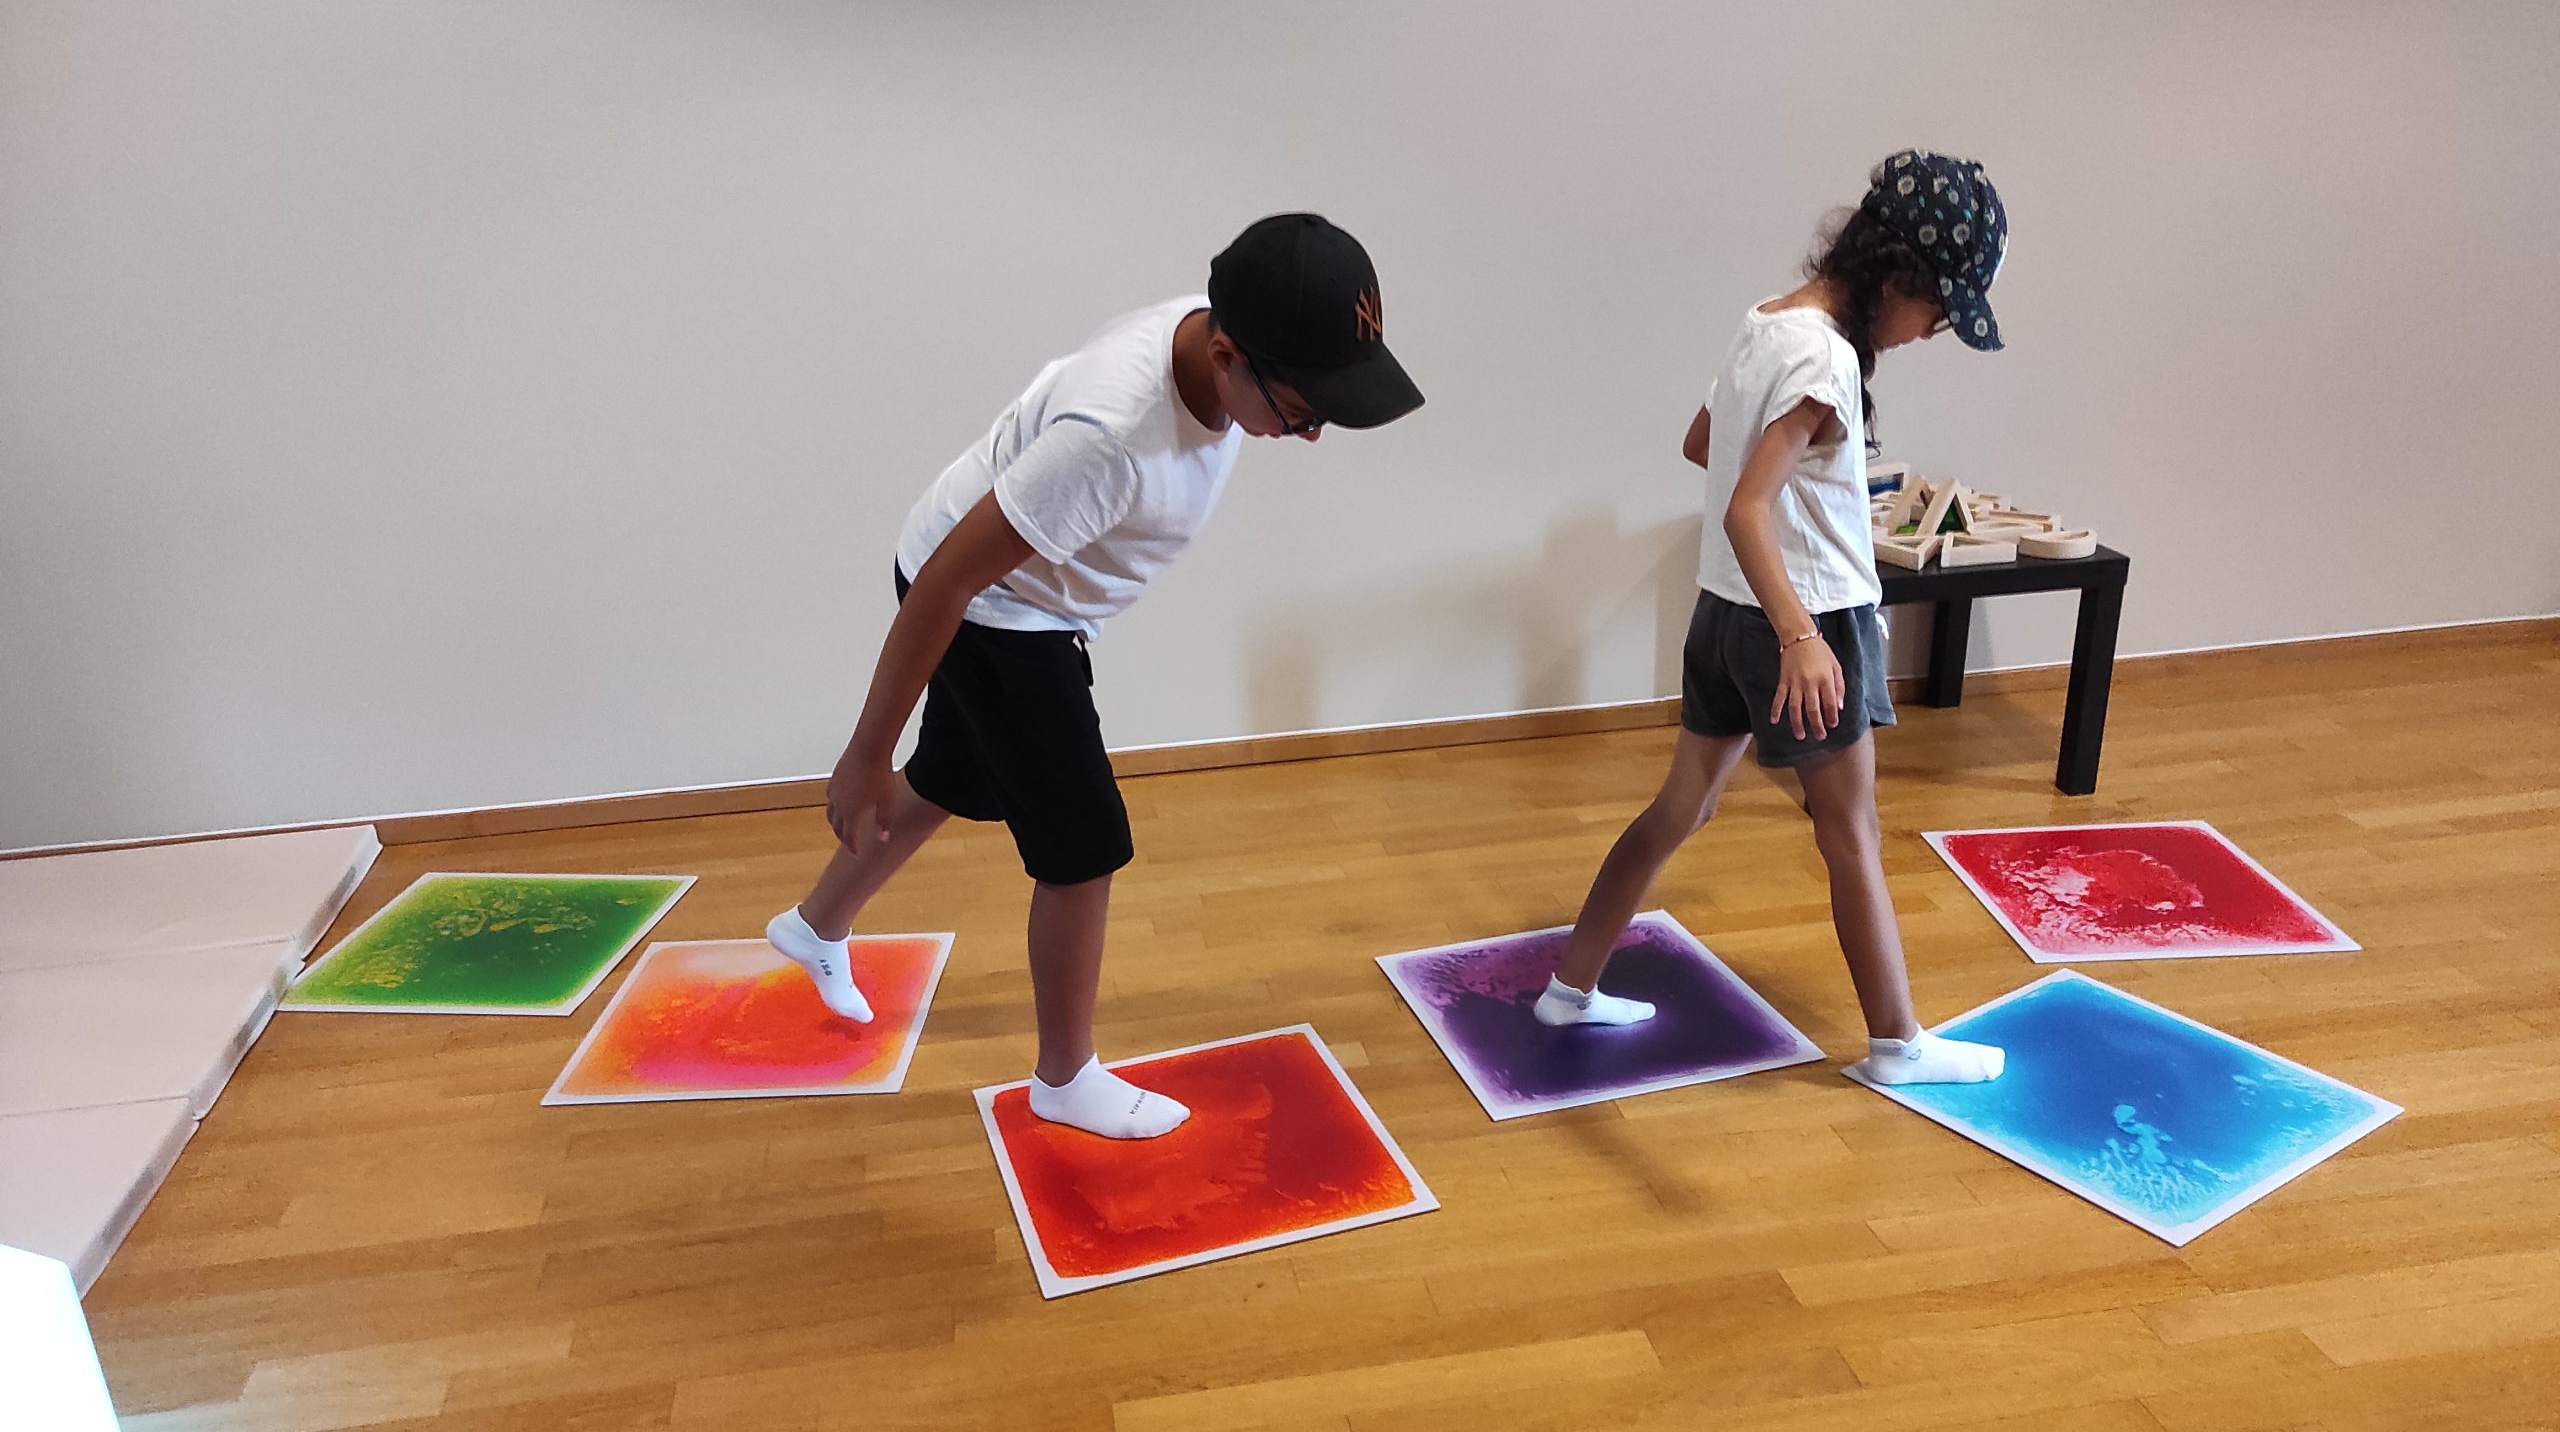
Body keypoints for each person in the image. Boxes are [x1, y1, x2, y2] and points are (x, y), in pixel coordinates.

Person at [768, 214, 1423, 1136]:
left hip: (1010, 592)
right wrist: (862, 751)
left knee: (955, 773)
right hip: (999, 613)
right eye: (1305, 410)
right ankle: (1065, 1078)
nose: (1311, 434)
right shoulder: (1113, 440)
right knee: (1083, 851)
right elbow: (948, 583)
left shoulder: (1211, 328)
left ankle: (815, 924)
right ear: (1229, 352)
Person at [1534, 151, 2009, 1087]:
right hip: (1803, 627)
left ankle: (1571, 987)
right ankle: (1898, 1046)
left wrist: (1815, 506)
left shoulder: (1768, 323)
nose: (1931, 333)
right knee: (1851, 833)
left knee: (1684, 806)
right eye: (1939, 313)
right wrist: (1799, 633)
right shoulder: (1828, 357)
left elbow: (1703, 446)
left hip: (1722, 612)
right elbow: (1748, 505)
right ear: (1902, 276)